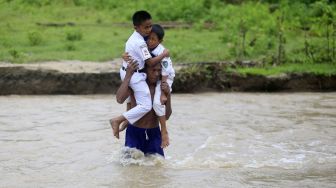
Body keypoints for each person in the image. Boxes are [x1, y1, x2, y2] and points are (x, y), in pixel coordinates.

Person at [110, 10, 169, 139]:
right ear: (136, 27)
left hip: (127, 70)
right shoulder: (141, 43)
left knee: (131, 100)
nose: (149, 30)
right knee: (146, 105)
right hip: (134, 74)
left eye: (150, 26)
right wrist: (164, 54)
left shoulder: (136, 37)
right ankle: (119, 119)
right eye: (146, 27)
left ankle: (126, 119)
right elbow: (151, 62)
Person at [115, 61, 172, 156]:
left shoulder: (160, 88)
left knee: (157, 166)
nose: (156, 74)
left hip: (154, 133)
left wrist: (168, 94)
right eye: (153, 70)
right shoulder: (136, 85)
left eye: (159, 71)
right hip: (135, 132)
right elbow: (119, 99)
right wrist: (128, 76)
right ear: (145, 70)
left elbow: (167, 116)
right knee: (130, 166)